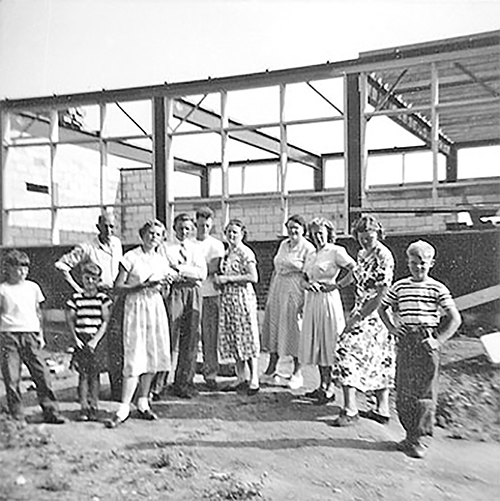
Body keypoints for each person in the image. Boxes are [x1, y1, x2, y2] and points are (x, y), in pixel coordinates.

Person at [379, 240, 461, 459]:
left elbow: (455, 319)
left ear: (431, 263)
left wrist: (439, 340)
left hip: (427, 340)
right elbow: (382, 307)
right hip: (406, 339)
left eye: (423, 263)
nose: (418, 267)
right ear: (408, 262)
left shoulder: (437, 288)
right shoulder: (400, 286)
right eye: (414, 263)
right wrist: (392, 328)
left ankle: (421, 439)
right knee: (404, 388)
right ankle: (409, 435)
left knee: (424, 391)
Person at [105, 219, 175, 428]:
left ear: (162, 238)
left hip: (155, 307)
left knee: (153, 352)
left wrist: (165, 286)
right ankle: (124, 406)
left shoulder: (162, 261)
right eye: (150, 233)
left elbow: (164, 291)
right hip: (135, 307)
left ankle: (143, 401)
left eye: (157, 234)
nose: (153, 237)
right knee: (135, 354)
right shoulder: (130, 257)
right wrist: (142, 285)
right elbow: (117, 287)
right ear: (142, 235)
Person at [332, 215, 395, 426]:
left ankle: (351, 409)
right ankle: (381, 409)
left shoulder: (383, 256)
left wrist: (358, 317)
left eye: (369, 237)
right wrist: (337, 285)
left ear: (378, 234)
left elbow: (382, 294)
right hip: (361, 308)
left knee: (346, 349)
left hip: (377, 313)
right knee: (376, 357)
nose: (365, 241)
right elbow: (355, 275)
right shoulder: (362, 253)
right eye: (361, 237)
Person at [55, 211, 124, 401]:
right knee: (96, 344)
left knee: (115, 343)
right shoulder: (87, 247)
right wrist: (79, 289)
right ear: (98, 227)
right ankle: (90, 394)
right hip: (94, 297)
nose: (109, 230)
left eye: (112, 226)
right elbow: (62, 265)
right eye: (105, 226)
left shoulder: (117, 243)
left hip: (114, 296)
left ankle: (116, 390)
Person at [0, 250, 65, 424]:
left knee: (41, 373)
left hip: (31, 334)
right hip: (8, 336)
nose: (23, 272)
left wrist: (41, 334)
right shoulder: (3, 290)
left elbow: (38, 312)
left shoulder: (33, 287)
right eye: (18, 268)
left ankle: (51, 411)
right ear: (8, 268)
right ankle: (17, 415)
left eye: (25, 268)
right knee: (12, 377)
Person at [299, 218, 356, 404]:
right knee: (316, 342)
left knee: (328, 341)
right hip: (312, 301)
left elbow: (355, 270)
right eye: (314, 233)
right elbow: (303, 278)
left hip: (328, 301)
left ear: (329, 233)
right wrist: (307, 285)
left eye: (321, 233)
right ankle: (322, 385)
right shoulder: (311, 254)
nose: (317, 236)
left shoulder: (336, 251)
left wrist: (337, 285)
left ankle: (330, 388)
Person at [261, 214, 315, 390]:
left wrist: (305, 301)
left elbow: (309, 275)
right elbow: (276, 268)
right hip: (278, 289)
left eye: (296, 228)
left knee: (294, 330)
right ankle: (271, 369)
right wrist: (270, 293)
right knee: (275, 328)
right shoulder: (283, 244)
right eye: (290, 227)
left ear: (303, 230)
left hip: (296, 290)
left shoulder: (308, 248)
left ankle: (297, 373)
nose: (292, 231)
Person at [158, 213, 207, 399]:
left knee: (191, 338)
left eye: (188, 228)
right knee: (169, 336)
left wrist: (179, 268)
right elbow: (164, 270)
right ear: (174, 228)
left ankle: (184, 383)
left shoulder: (196, 248)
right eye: (180, 228)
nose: (184, 232)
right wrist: (187, 271)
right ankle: (159, 384)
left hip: (193, 292)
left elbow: (202, 273)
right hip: (174, 292)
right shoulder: (165, 247)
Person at [215, 219, 260, 396]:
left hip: (242, 298)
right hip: (228, 298)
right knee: (234, 336)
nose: (232, 235)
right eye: (229, 232)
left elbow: (253, 276)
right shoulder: (227, 253)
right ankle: (241, 377)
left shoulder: (245, 252)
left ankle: (254, 378)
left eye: (235, 232)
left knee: (247, 335)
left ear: (242, 234)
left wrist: (228, 280)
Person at [66, 262, 112, 422]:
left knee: (95, 375)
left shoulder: (102, 299)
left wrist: (95, 340)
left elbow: (105, 321)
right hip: (81, 340)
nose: (90, 281)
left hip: (95, 340)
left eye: (94, 278)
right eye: (87, 278)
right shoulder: (76, 298)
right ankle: (83, 406)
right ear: (82, 279)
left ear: (99, 280)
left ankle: (94, 406)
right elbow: (70, 319)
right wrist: (75, 338)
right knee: (83, 375)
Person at [195, 207, 225, 391]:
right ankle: (187, 375)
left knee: (210, 337)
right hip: (192, 295)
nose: (203, 228)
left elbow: (214, 268)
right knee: (191, 338)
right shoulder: (189, 243)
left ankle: (211, 374)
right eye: (200, 224)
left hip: (211, 295)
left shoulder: (216, 245)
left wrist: (194, 269)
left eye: (207, 225)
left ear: (211, 224)